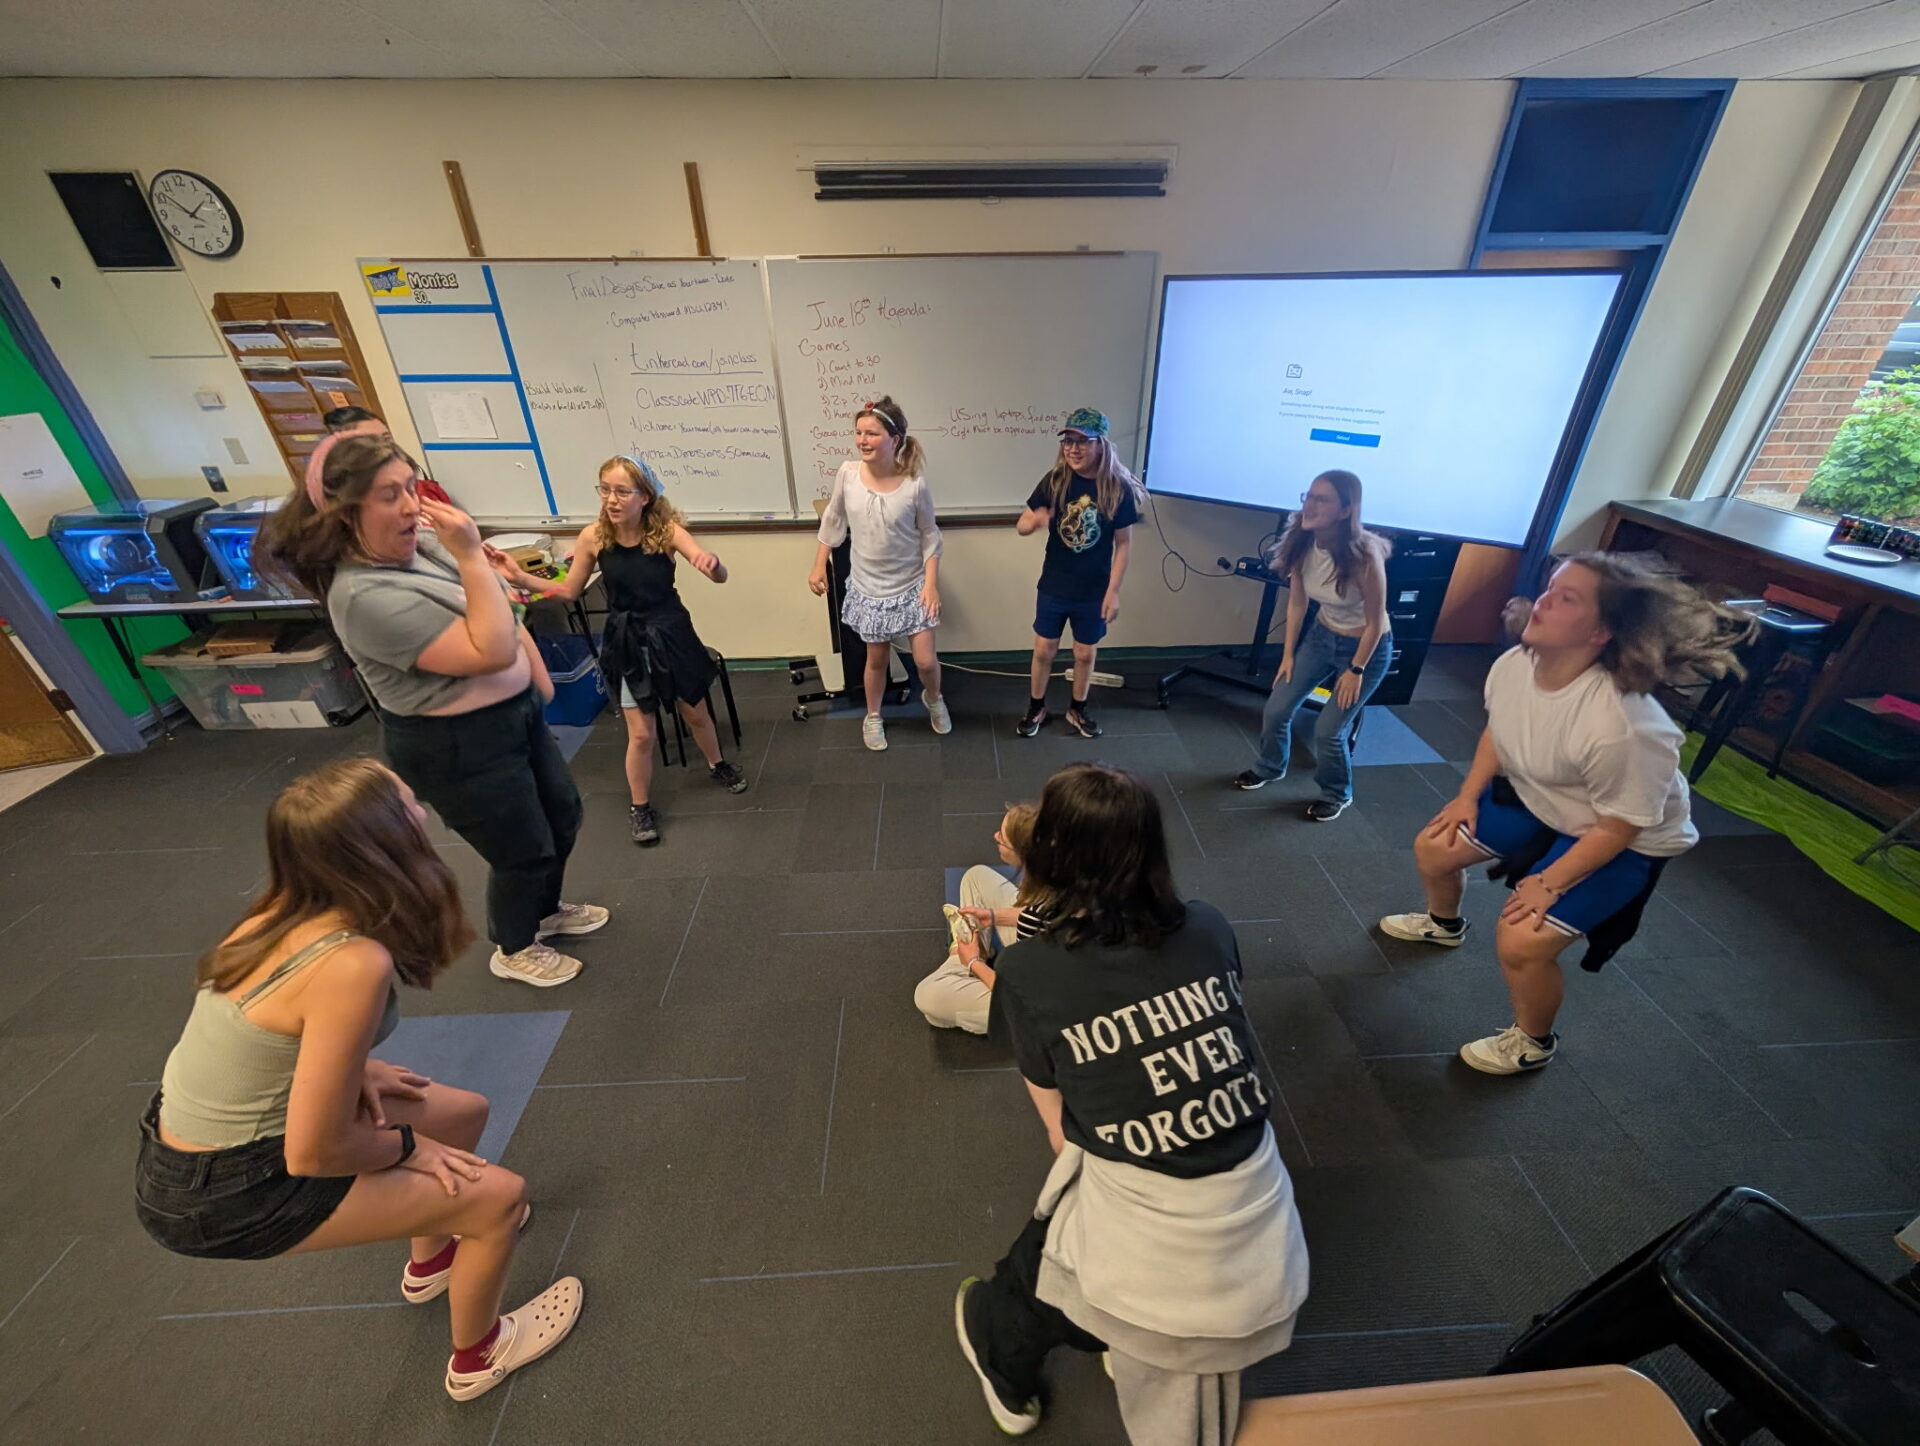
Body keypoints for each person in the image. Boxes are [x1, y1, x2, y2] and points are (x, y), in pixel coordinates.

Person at [134, 759, 582, 1403]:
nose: (422, 811)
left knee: (462, 1114)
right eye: (408, 804)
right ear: (380, 843)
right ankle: (479, 1357)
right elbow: (314, 1153)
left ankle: (432, 1261)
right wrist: (407, 1149)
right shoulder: (352, 962)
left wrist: (355, 1071)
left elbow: (260, 1037)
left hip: (226, 1137)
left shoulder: (284, 911)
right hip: (225, 1190)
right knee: (500, 1200)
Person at [954, 763, 1309, 1444]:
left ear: (1045, 853)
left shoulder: (1029, 970)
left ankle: (998, 1342)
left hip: (1166, 1256)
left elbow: (1063, 1134)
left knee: (1051, 1247)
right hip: (1268, 1237)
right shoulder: (1208, 926)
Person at [257, 433, 604, 989]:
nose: (411, 506)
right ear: (345, 514)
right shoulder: (363, 596)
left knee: (563, 815)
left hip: (512, 717)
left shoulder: (420, 546)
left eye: (409, 487)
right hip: (457, 745)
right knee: (521, 850)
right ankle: (515, 946)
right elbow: (491, 648)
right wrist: (469, 555)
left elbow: (503, 606)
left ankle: (542, 910)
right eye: (389, 495)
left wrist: (534, 681)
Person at [1378, 553, 1743, 1075]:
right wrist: (1467, 796)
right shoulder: (1515, 665)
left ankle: (1533, 1042)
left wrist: (1548, 883)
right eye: (1550, 588)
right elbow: (1498, 731)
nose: (1543, 601)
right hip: (1549, 798)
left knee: (1523, 939)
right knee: (1436, 847)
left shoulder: (1625, 727)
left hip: (1623, 836)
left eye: (1566, 598)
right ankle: (1444, 924)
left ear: (1600, 632)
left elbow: (1620, 826)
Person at [491, 454, 746, 847]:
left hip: (671, 632)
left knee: (695, 712)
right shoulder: (594, 537)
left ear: (645, 496)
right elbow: (570, 591)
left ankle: (718, 764)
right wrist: (521, 577)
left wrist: (712, 566)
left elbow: (718, 574)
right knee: (641, 734)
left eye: (622, 491)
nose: (611, 499)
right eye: (605, 489)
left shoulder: (667, 532)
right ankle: (640, 807)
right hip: (627, 639)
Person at [1232, 470, 1392, 822]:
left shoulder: (1365, 556)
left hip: (1366, 647)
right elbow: (1297, 603)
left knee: (1328, 731)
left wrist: (1356, 670)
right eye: (1309, 496)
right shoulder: (1301, 541)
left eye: (1323, 499)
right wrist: (1288, 654)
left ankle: (1337, 793)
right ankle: (1271, 766)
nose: (1310, 505)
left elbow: (1375, 622)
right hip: (1321, 637)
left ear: (1346, 510)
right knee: (1276, 709)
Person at [807, 396, 949, 752]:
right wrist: (819, 563)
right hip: (869, 587)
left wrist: (931, 585)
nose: (862, 440)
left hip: (912, 585)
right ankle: (873, 715)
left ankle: (934, 698)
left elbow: (930, 535)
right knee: (877, 660)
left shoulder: (914, 484)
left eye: (872, 433)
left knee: (925, 661)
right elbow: (833, 520)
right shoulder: (847, 474)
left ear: (894, 439)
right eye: (859, 432)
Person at [1015, 409, 1142, 741]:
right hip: (1055, 585)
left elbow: (1124, 544)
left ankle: (1078, 708)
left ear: (1100, 444)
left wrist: (1113, 591)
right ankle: (1036, 706)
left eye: (1082, 441)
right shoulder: (1055, 480)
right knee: (1044, 650)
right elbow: (1022, 524)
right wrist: (1035, 521)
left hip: (1094, 589)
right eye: (1068, 441)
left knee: (1085, 653)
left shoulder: (1116, 488)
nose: (1072, 448)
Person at [913, 801, 1050, 1034]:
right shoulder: (1056, 882)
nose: (995, 836)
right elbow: (1037, 916)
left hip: (1037, 1004)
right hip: (1037, 952)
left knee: (927, 997)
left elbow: (1022, 998)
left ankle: (964, 961)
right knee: (975, 877)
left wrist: (974, 964)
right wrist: (993, 916)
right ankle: (965, 955)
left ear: (1023, 853)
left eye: (1002, 839)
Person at [321, 405, 452, 505]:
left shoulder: (425, 492)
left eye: (386, 438)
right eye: (372, 442)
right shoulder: (344, 506)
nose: (386, 448)